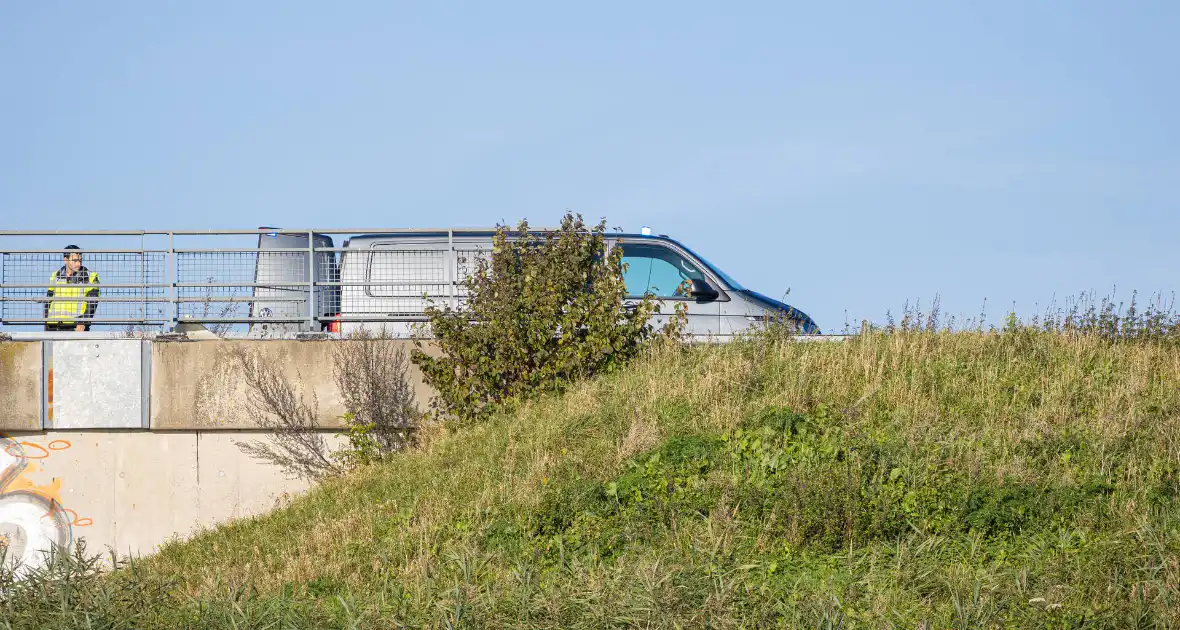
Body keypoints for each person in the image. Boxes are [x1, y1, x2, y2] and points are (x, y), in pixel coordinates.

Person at [44, 245, 100, 332]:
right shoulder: (55, 276)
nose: (79, 264)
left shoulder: (90, 277)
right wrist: (46, 322)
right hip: (53, 325)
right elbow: (48, 302)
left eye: (80, 260)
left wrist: (83, 322)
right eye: (75, 261)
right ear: (65, 259)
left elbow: (92, 303)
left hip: (76, 326)